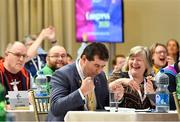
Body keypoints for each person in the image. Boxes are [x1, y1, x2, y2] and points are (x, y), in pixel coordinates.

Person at [47, 42, 109, 121]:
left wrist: (116, 96)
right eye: (96, 65)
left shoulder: (101, 75)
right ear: (84, 59)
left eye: (103, 66)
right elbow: (56, 108)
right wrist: (81, 92)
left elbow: (105, 105)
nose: (99, 71)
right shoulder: (62, 74)